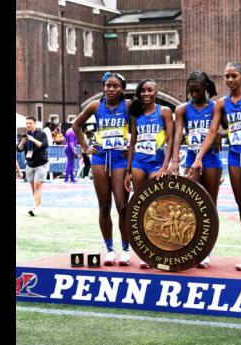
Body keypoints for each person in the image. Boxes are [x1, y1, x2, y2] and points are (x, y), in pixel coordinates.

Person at [188, 62, 241, 272]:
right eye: (227, 76)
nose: (229, 80)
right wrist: (199, 157)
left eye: (234, 76)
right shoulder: (221, 104)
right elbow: (212, 131)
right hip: (235, 156)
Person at [73, 72, 132, 266]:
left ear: (122, 88)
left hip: (120, 159)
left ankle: (125, 249)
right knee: (104, 206)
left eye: (115, 86)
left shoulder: (128, 106)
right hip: (99, 157)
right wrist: (85, 147)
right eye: (108, 85)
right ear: (104, 87)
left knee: (123, 206)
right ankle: (109, 249)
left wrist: (130, 149)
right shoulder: (95, 106)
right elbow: (76, 125)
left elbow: (138, 130)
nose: (111, 89)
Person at [171, 71, 222, 268]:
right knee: (190, 204)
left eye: (197, 91)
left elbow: (227, 127)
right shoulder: (182, 109)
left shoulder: (216, 107)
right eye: (190, 91)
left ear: (206, 89)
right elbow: (177, 135)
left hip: (211, 160)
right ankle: (190, 246)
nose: (193, 94)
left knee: (210, 205)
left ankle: (206, 250)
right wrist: (175, 161)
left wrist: (219, 134)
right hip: (192, 158)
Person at [124, 78, 174, 269]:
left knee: (159, 208)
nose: (146, 94)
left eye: (149, 90)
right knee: (143, 208)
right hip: (138, 163)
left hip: (156, 165)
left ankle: (162, 252)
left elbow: (170, 140)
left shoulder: (164, 112)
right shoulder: (136, 115)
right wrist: (128, 170)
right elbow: (133, 142)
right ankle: (147, 253)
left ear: (156, 92)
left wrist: (165, 166)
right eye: (143, 91)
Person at [16, 116, 49, 216]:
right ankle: (38, 206)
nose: (28, 125)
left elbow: (44, 145)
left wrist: (33, 140)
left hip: (41, 163)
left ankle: (36, 207)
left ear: (35, 124)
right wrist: (22, 142)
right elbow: (19, 149)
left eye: (30, 123)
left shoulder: (41, 134)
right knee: (33, 187)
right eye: (27, 123)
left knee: (37, 185)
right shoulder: (24, 135)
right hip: (30, 164)